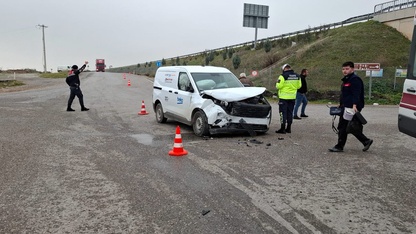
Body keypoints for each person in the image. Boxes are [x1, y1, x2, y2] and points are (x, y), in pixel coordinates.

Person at [329, 61, 373, 152]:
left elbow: (356, 93)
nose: (345, 71)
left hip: (352, 107)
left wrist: (355, 105)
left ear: (352, 69)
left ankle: (339, 146)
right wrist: (340, 104)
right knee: (349, 126)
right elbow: (345, 94)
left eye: (347, 69)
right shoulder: (346, 79)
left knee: (344, 126)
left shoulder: (355, 79)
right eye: (343, 69)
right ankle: (366, 141)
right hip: (345, 106)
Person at [275, 64, 302, 134]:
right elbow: (299, 86)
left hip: (283, 97)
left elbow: (278, 86)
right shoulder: (297, 76)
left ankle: (282, 128)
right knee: (290, 112)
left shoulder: (282, 76)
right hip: (292, 97)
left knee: (282, 113)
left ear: (284, 69)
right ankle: (289, 128)